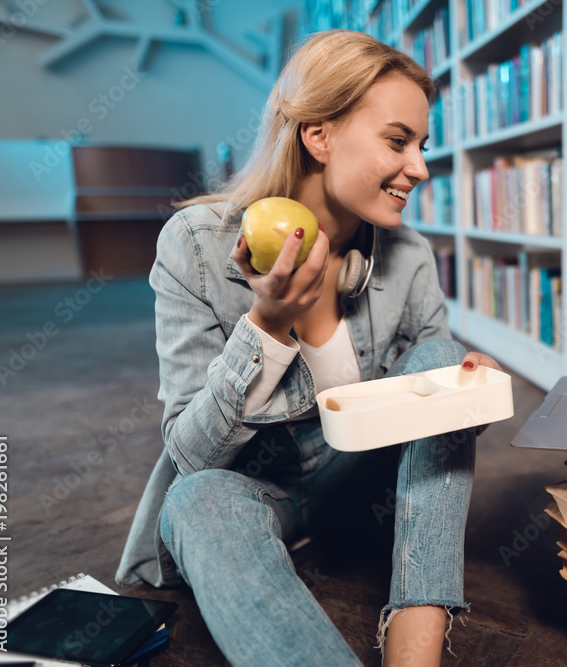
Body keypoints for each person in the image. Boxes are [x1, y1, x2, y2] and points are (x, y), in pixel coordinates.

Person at [115, 28, 501, 667]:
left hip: (366, 494)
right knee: (194, 499)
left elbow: (438, 428)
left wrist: (469, 392)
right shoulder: (196, 246)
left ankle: (417, 636)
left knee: (442, 359)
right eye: (397, 141)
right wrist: (267, 326)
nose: (421, 168)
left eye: (422, 146)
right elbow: (189, 452)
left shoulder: (408, 255)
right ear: (317, 135)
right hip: (254, 494)